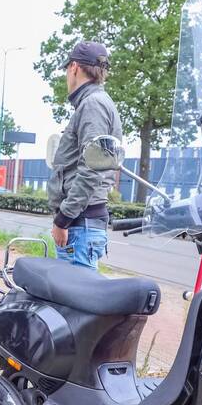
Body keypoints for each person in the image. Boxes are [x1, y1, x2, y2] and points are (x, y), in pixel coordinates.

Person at [48, 41, 123, 269]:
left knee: (75, 300)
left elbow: (93, 167)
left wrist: (63, 219)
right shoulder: (95, 103)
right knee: (74, 298)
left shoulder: (92, 105)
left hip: (80, 226)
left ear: (74, 68)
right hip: (82, 224)